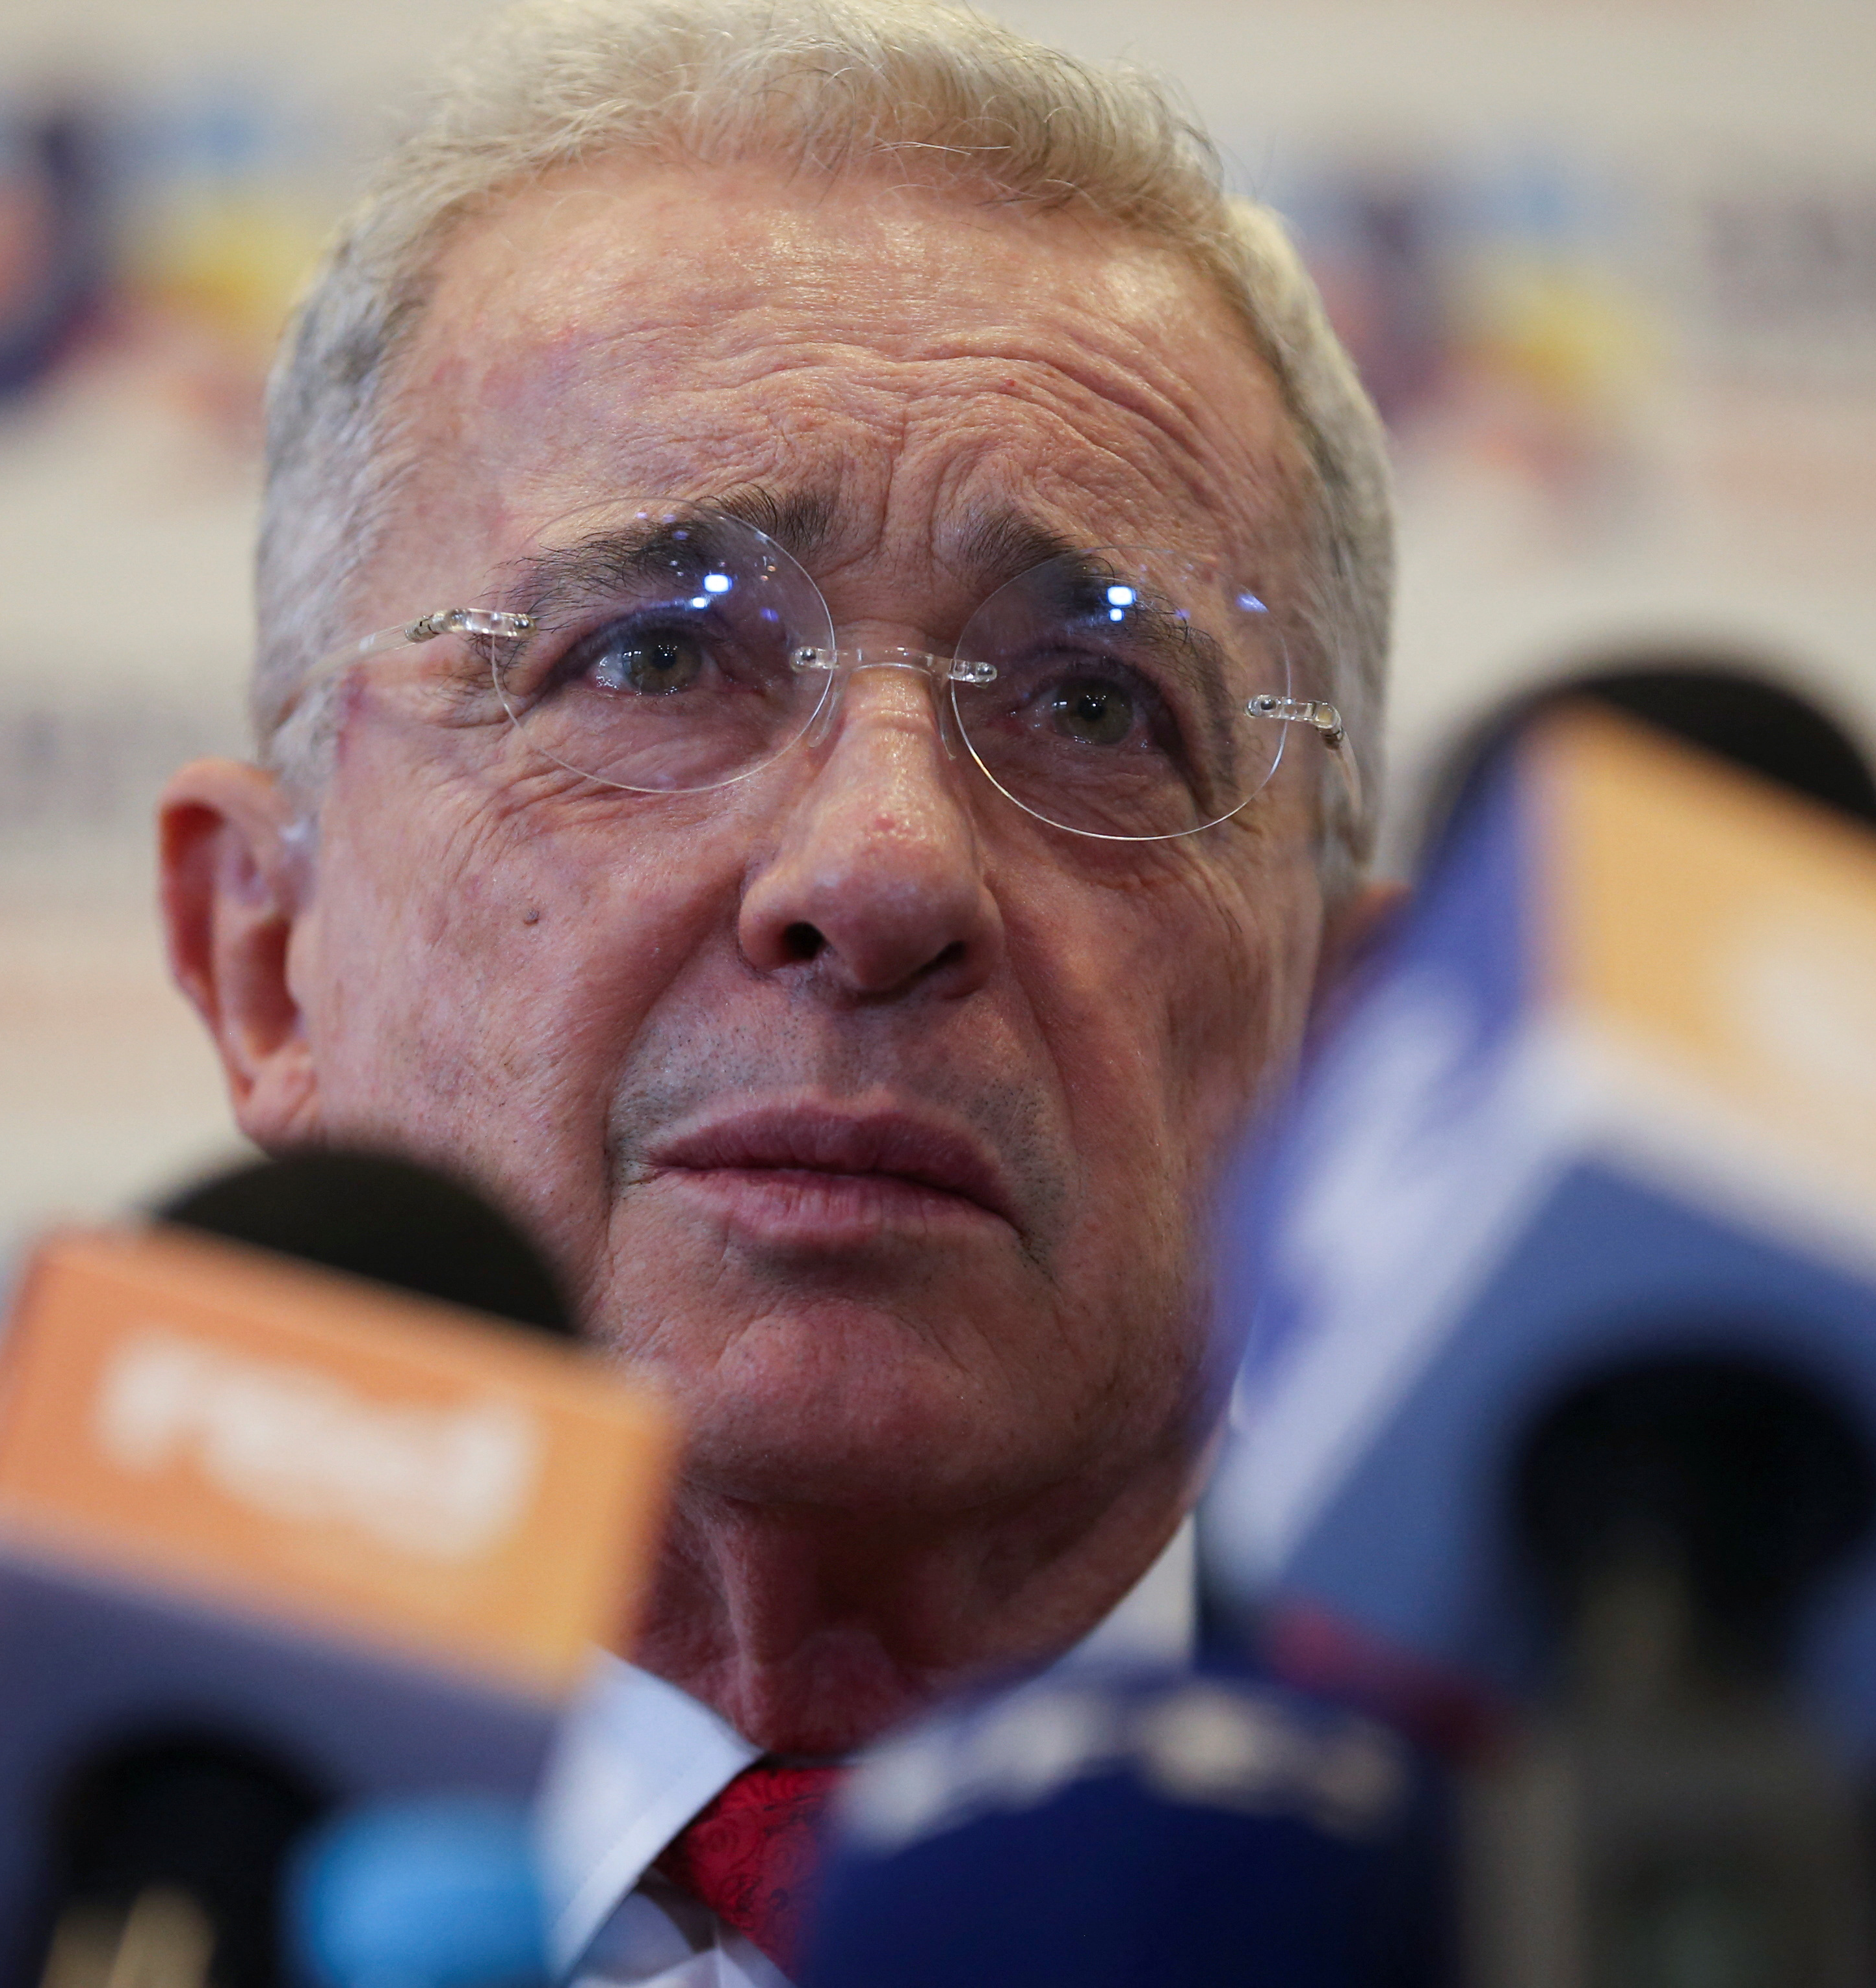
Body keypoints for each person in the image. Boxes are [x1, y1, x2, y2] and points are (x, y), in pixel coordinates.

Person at [155, 1, 1390, 1980]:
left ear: (1352, 1045)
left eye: (1092, 705)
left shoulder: (1830, 1917)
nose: (882, 870)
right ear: (261, 956)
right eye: (650, 659)